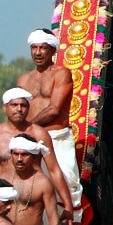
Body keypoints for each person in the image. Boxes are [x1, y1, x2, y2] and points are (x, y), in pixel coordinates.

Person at [17, 29, 84, 210]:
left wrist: (26, 127)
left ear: (53, 51)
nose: (38, 52)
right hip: (31, 140)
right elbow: (18, 110)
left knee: (69, 191)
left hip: (57, 138)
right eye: (34, 48)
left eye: (43, 48)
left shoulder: (61, 74)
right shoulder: (23, 79)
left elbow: (54, 109)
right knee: (29, 191)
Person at [0, 87, 55, 185]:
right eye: (14, 105)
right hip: (4, 195)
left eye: (23, 105)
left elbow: (54, 171)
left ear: (28, 108)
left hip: (33, 195)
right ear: (4, 108)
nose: (19, 109)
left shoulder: (39, 134)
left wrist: (67, 200)